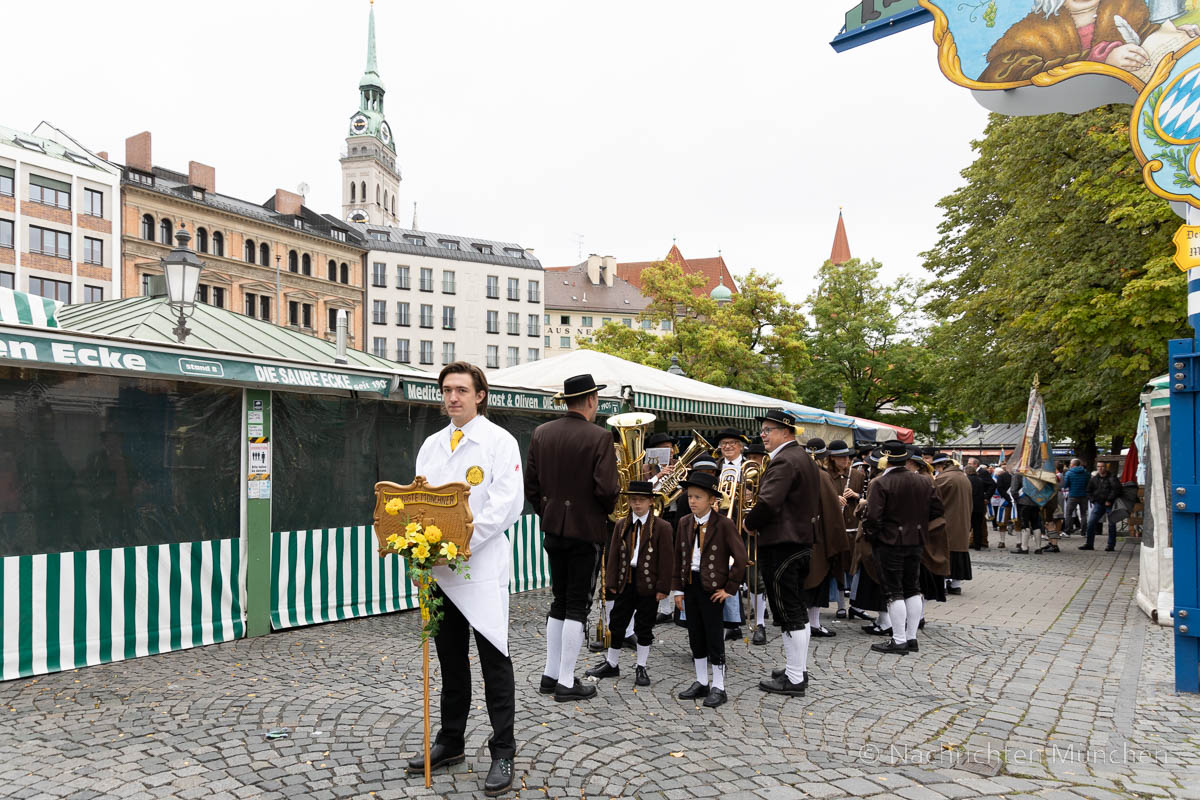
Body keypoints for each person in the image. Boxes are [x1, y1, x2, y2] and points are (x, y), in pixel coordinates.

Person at [407, 362, 526, 797]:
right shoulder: (432, 445)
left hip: (481, 565)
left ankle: (503, 749)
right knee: (450, 660)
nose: (452, 397)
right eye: (446, 390)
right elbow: (418, 499)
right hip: (439, 570)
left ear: (480, 395)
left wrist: (461, 538)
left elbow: (506, 503)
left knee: (495, 659)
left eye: (461, 390)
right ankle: (450, 741)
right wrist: (417, 541)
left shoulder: (500, 442)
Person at [524, 374, 620, 703]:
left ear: (567, 401)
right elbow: (607, 491)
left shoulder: (541, 433)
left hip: (553, 529)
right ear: (591, 400)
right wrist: (600, 512)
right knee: (577, 605)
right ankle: (566, 680)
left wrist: (548, 512)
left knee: (560, 600)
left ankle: (551, 674)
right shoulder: (600, 437)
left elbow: (531, 487)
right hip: (585, 531)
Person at [743, 410, 822, 697]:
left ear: (786, 432)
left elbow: (767, 504)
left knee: (789, 613)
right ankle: (796, 668)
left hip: (782, 544)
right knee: (796, 610)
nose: (763, 435)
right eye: (762, 430)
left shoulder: (784, 460)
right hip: (798, 542)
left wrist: (749, 523)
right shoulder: (802, 458)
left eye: (768, 430)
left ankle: (794, 678)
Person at [585, 480, 674, 686]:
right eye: (633, 500)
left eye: (641, 500)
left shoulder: (662, 527)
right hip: (626, 581)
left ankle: (641, 666)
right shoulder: (621, 524)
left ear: (651, 501)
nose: (637, 504)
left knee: (644, 626)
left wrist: (663, 588)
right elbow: (613, 554)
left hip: (649, 584)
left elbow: (667, 560)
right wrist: (611, 583)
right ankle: (612, 663)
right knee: (617, 623)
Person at [672, 471, 748, 708]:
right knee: (695, 635)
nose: (692, 501)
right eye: (690, 496)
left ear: (712, 500)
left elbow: (741, 557)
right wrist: (677, 590)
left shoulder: (723, 524)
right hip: (691, 584)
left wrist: (730, 588)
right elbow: (678, 557)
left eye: (698, 497)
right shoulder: (684, 522)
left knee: (714, 636)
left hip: (712, 589)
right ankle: (701, 681)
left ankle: (719, 686)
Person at [862, 440, 944, 655]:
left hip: (890, 541)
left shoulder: (881, 483)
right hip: (916, 539)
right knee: (913, 588)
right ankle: (911, 637)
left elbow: (872, 517)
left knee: (893, 591)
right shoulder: (923, 481)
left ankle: (898, 640)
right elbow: (937, 509)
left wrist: (873, 535)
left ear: (884, 459)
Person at [804, 438, 851, 638]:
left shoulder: (797, 474)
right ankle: (811, 624)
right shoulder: (822, 477)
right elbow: (832, 513)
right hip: (818, 537)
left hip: (798, 535)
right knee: (817, 581)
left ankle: (806, 623)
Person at [826, 440, 864, 619]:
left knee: (854, 566)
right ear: (832, 458)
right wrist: (834, 498)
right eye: (841, 457)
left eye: (847, 457)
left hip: (853, 525)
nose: (846, 460)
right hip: (836, 525)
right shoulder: (826, 475)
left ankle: (856, 604)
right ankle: (841, 604)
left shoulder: (857, 475)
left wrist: (857, 496)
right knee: (838, 566)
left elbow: (866, 496)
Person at [932, 453, 972, 595]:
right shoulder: (963, 477)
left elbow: (933, 500)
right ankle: (956, 585)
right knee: (959, 553)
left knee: (944, 553)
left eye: (936, 467)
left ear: (941, 466)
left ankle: (942, 584)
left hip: (947, 521)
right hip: (962, 521)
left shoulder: (943, 478)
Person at [1082, 461, 1122, 551]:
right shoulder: (1094, 479)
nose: (1100, 468)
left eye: (1102, 466)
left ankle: (1110, 545)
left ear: (1106, 467)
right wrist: (1092, 500)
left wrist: (1109, 500)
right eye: (1098, 466)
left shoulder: (1112, 478)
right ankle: (1089, 544)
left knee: (1111, 524)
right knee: (1091, 523)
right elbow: (1088, 490)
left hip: (1109, 504)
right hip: (1098, 503)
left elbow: (1116, 489)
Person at [967, 459, 994, 550]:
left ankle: (979, 542)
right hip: (979, 505)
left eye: (970, 464)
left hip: (971, 504)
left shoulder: (983, 473)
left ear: (975, 464)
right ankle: (976, 543)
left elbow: (992, 485)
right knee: (977, 525)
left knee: (973, 524)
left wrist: (987, 497)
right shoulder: (979, 479)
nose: (968, 465)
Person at [1062, 458, 1089, 534]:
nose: (1070, 464)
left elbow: (1066, 484)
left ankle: (1067, 530)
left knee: (1068, 513)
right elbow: (1088, 483)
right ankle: (1084, 531)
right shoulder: (1085, 472)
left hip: (1073, 495)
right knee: (1083, 514)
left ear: (1073, 464)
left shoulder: (1069, 473)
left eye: (1070, 463)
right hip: (1084, 495)